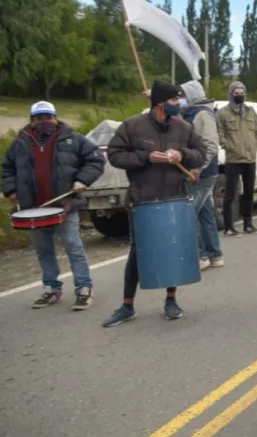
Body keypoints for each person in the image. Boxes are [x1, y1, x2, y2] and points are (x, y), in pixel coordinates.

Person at [101, 82, 207, 327]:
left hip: (174, 199)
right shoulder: (132, 126)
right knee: (138, 253)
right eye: (174, 100)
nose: (178, 104)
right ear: (161, 104)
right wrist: (145, 158)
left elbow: (201, 153)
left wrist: (183, 156)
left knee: (171, 249)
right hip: (142, 200)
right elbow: (114, 155)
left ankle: (171, 300)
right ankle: (127, 305)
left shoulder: (184, 127)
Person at [2, 101, 105, 310]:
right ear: (32, 120)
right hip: (33, 208)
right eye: (39, 118)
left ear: (55, 118)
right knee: (43, 250)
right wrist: (10, 190)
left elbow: (95, 159)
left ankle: (84, 288)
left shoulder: (74, 139)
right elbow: (7, 168)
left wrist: (82, 181)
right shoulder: (20, 143)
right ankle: (51, 289)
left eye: (48, 117)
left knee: (73, 247)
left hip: (65, 205)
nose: (44, 122)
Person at [179, 80, 224, 270]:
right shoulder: (190, 113)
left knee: (189, 214)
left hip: (201, 173)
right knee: (206, 214)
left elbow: (211, 145)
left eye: (183, 95)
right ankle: (215, 255)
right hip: (201, 172)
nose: (181, 99)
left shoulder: (202, 114)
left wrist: (197, 169)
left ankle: (200, 255)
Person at [217, 81, 257, 236]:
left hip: (249, 158)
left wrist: (255, 146)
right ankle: (229, 227)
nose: (239, 96)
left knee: (249, 192)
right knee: (230, 194)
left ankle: (248, 224)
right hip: (233, 159)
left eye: (242, 93)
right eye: (236, 93)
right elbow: (220, 135)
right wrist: (230, 146)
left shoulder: (250, 112)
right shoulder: (223, 113)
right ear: (231, 94)